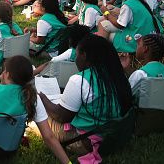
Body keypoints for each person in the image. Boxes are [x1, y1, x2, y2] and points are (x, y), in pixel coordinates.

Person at [40, 34, 133, 162]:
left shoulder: (80, 80)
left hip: (86, 141)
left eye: (77, 54)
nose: (76, 59)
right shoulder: (117, 75)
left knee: (39, 118)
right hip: (113, 136)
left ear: (84, 55)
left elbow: (61, 117)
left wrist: (43, 98)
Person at [97, 0, 160, 68]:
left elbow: (120, 25)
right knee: (104, 22)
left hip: (136, 41)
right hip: (146, 37)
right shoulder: (138, 1)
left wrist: (106, 12)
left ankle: (100, 55)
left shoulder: (128, 5)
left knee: (103, 24)